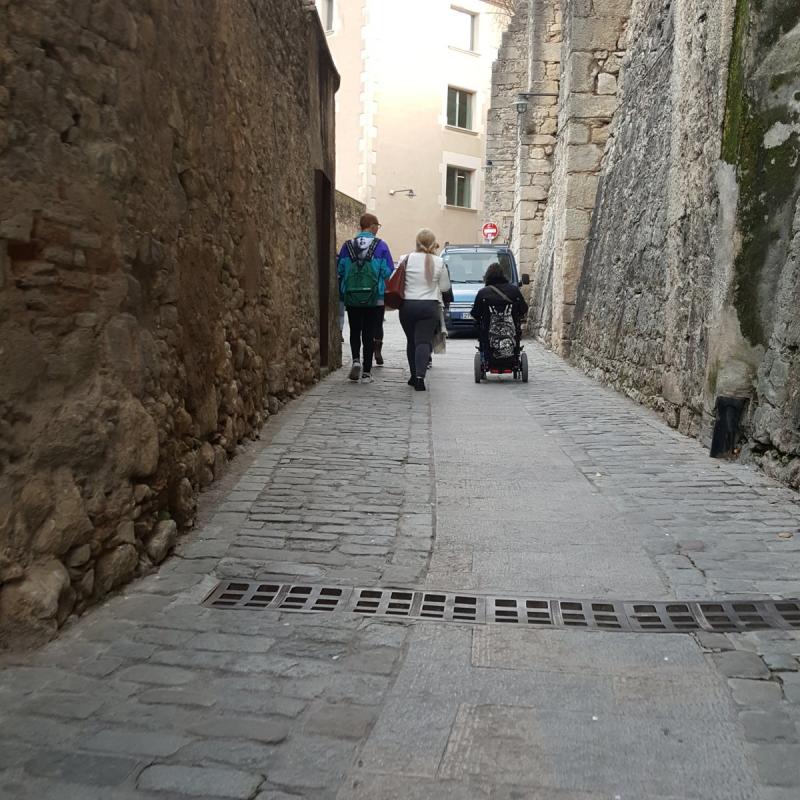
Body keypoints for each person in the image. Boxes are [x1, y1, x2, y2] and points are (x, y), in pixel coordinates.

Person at [337, 213, 394, 383]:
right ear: (371, 226)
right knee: (369, 332)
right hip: (374, 297)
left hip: (352, 295)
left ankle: (355, 361)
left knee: (355, 330)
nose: (378, 228)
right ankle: (367, 372)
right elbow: (387, 271)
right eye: (377, 225)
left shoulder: (347, 246)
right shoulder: (381, 246)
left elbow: (340, 269)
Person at [399, 228, 451, 391]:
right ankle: (420, 378)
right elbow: (444, 287)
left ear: (416, 242)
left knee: (411, 341)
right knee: (423, 341)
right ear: (433, 244)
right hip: (429, 306)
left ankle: (413, 375)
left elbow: (395, 278)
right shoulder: (439, 262)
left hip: (407, 306)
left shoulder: (405, 259)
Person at [470, 262, 529, 360]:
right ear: (502, 275)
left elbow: (475, 313)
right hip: (511, 333)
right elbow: (523, 309)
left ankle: (487, 357)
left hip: (488, 335)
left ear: (487, 276)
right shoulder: (514, 291)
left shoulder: (483, 293)